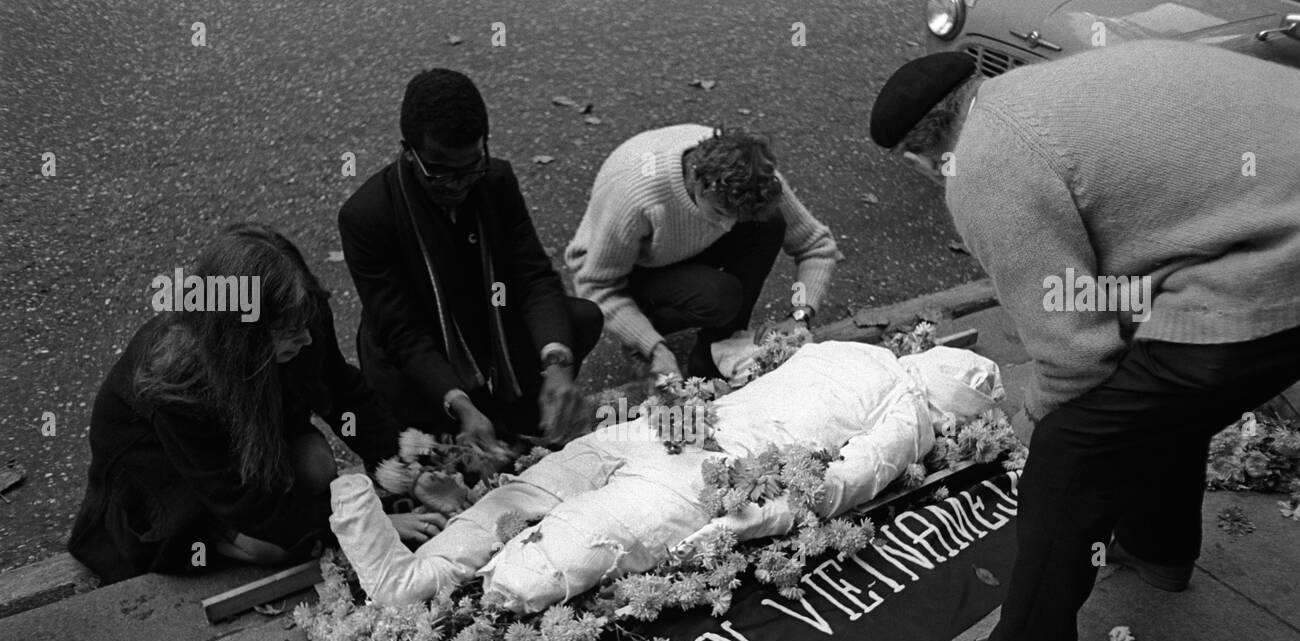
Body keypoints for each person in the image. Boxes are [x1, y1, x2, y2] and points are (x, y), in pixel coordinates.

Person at [869, 42, 1300, 641]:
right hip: (1265, 225)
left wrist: (1034, 414)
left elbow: (1076, 356)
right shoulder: (1035, 92)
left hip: (1269, 277)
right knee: (1155, 392)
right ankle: (1158, 547)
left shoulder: (983, 165)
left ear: (918, 156)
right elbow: (1127, 279)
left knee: (1074, 450)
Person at [328, 342, 1003, 611]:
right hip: (704, 473)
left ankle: (381, 532)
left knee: (532, 492)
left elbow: (757, 374)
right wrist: (748, 523)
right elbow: (840, 486)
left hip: (676, 429)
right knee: (556, 550)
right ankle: (409, 580)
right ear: (953, 409)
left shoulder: (849, 349)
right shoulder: (908, 414)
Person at [68, 223, 445, 584]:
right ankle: (221, 536)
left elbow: (345, 392)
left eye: (304, 325)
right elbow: (238, 499)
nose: (306, 340)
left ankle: (302, 512)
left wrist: (402, 471)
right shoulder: (177, 381)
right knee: (272, 548)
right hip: (167, 471)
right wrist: (366, 528)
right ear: (239, 336)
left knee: (316, 464)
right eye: (288, 332)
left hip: (242, 427)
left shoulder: (301, 312)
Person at [339, 68, 602, 460]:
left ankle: (516, 411)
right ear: (408, 152)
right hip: (419, 354)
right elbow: (403, 332)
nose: (460, 185)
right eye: (441, 173)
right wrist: (460, 404)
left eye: (471, 166)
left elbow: (533, 276)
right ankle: (472, 415)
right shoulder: (367, 216)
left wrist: (557, 364)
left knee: (578, 320)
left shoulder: (496, 180)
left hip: (485, 324)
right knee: (436, 456)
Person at [565, 125, 840, 380]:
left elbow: (815, 246)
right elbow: (596, 284)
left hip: (684, 244)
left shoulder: (757, 175)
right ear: (698, 180)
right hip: (627, 266)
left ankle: (717, 351)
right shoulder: (638, 199)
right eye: (721, 212)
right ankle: (642, 336)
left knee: (769, 224)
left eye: (737, 218)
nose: (729, 225)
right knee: (719, 296)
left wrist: (799, 313)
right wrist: (654, 347)